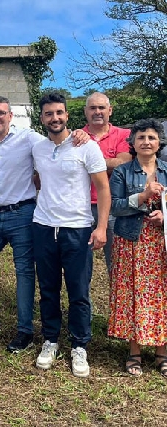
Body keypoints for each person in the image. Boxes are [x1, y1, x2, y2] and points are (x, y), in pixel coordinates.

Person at [31, 93, 110, 378]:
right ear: (42, 118)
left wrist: (100, 227)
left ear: (67, 115)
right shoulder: (37, 147)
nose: (55, 118)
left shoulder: (86, 146)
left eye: (60, 113)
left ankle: (80, 345)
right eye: (49, 114)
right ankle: (50, 340)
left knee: (79, 292)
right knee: (48, 290)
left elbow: (102, 188)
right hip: (43, 227)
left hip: (77, 228)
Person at [108, 118, 167, 377]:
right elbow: (115, 206)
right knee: (133, 295)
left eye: (151, 137)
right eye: (141, 137)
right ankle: (134, 353)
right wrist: (142, 198)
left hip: (160, 243)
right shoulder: (123, 172)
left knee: (160, 296)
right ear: (132, 142)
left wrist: (164, 216)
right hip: (131, 242)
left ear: (159, 143)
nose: (146, 142)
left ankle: (162, 352)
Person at [83, 92, 132, 274]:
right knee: (81, 266)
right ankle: (82, 303)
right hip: (82, 207)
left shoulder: (124, 135)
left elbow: (122, 164)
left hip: (114, 207)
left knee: (117, 265)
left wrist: (89, 163)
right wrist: (109, 162)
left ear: (109, 110)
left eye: (101, 107)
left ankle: (119, 302)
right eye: (93, 108)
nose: (97, 112)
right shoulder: (77, 137)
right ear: (85, 111)